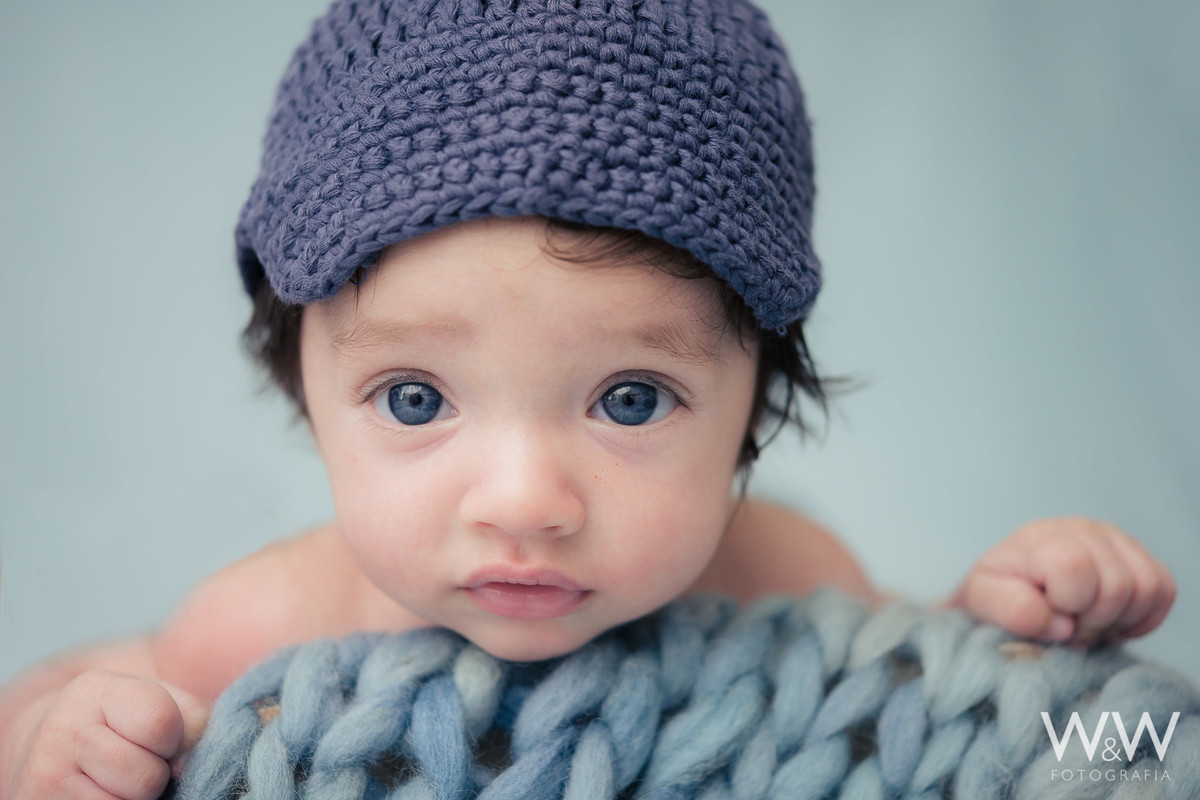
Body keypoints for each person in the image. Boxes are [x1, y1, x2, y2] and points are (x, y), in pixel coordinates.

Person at [0, 1, 1176, 798]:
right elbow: (53, 706)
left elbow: (919, 719)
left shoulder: (779, 578)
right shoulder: (259, 627)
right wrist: (61, 748)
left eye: (628, 398)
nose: (526, 499)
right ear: (304, 381)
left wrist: (997, 628)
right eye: (415, 398)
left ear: (756, 396)